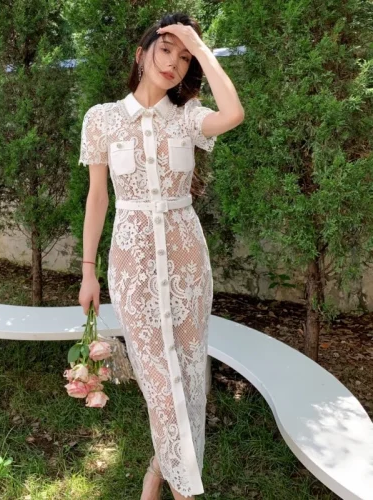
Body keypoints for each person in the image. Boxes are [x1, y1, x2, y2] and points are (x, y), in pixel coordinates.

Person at [78, 12, 244, 500]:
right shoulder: (102, 119)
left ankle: (160, 469)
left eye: (185, 57)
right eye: (166, 49)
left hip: (188, 263)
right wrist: (88, 272)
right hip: (132, 268)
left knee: (188, 377)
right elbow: (97, 198)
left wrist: (201, 47)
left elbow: (233, 113)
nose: (174, 62)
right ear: (141, 53)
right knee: (157, 381)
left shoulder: (190, 117)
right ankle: (184, 489)